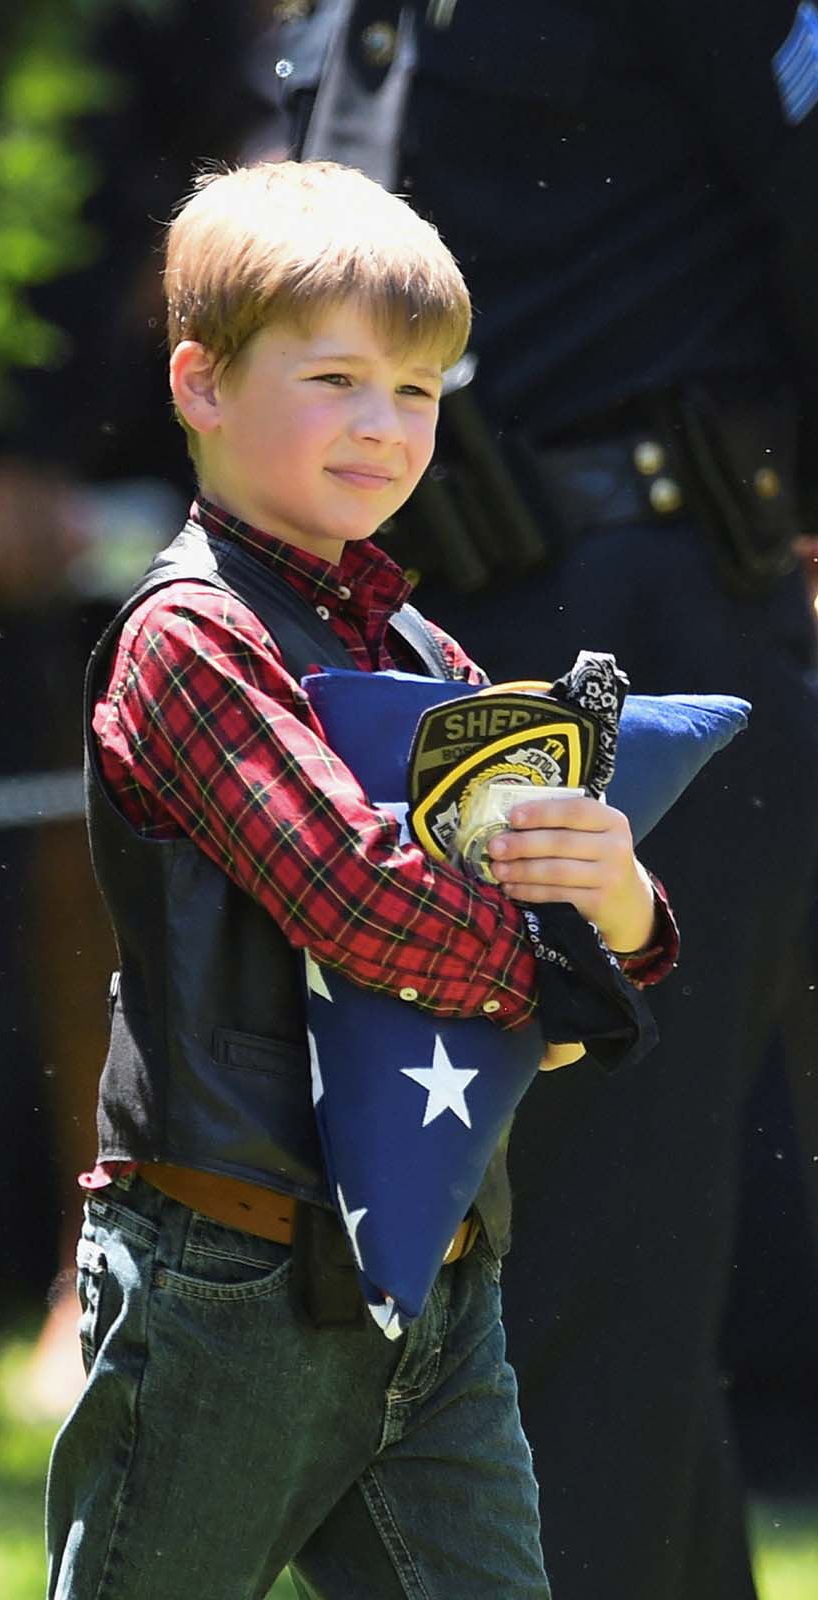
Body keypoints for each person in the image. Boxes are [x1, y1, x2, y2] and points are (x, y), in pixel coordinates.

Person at [44, 158, 678, 1600]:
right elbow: (359, 898)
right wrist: (573, 972)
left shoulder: (429, 660)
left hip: (439, 1274)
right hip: (228, 1271)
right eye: (334, 378)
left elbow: (567, 922)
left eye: (419, 392)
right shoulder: (189, 638)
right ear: (199, 384)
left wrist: (620, 901)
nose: (383, 427)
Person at [266, 5, 818, 1597]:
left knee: (567, 1288)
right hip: (408, 662)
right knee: (503, 1296)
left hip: (634, 654)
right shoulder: (351, 16)